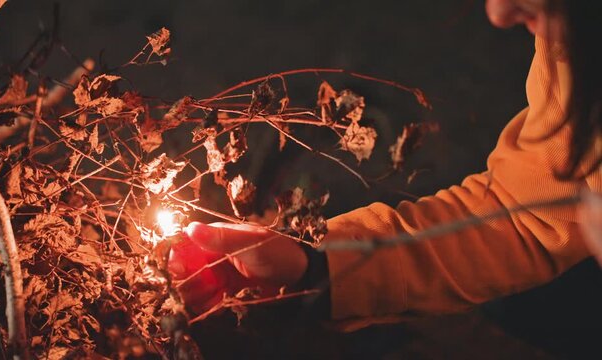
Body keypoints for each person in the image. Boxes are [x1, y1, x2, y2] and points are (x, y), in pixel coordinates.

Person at [169, 0, 602, 330]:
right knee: (525, 304)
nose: (500, 12)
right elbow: (526, 213)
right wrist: (317, 266)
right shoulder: (581, 49)